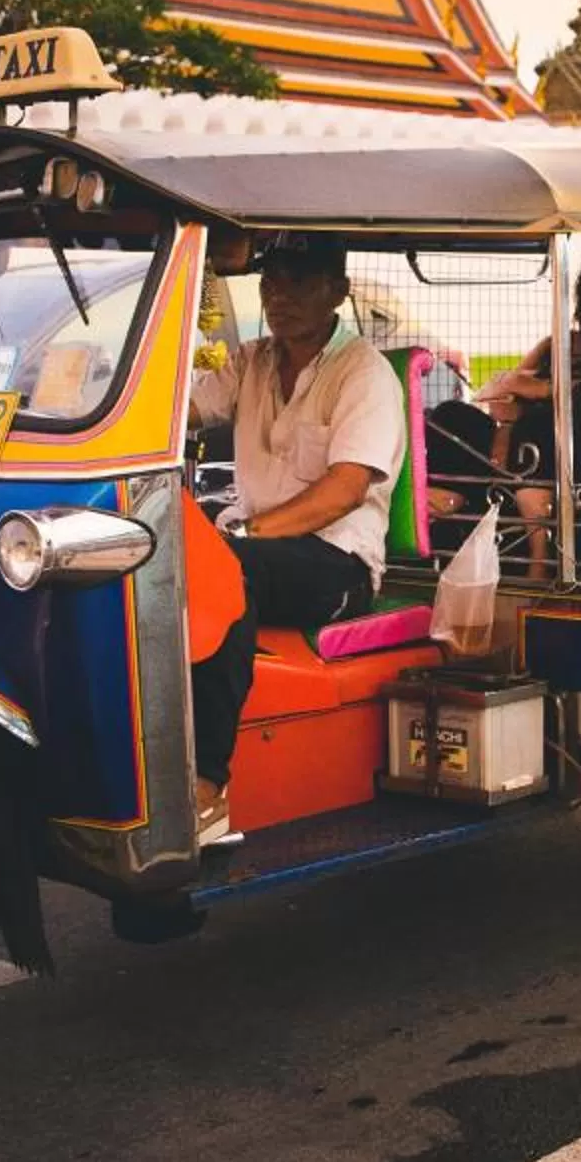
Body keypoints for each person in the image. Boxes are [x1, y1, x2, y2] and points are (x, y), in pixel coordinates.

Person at [187, 238, 408, 841]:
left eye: (298, 283)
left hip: (338, 562)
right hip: (261, 546)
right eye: (271, 283)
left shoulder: (361, 372)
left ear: (337, 291)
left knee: (225, 572)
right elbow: (184, 412)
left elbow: (344, 490)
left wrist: (240, 535)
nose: (279, 296)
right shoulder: (252, 360)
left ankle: (207, 784)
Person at [424, 237, 581, 575]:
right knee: (450, 416)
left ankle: (540, 541)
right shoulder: (556, 344)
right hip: (525, 447)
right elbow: (505, 396)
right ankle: (450, 517)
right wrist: (505, 431)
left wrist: (543, 389)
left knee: (578, 406)